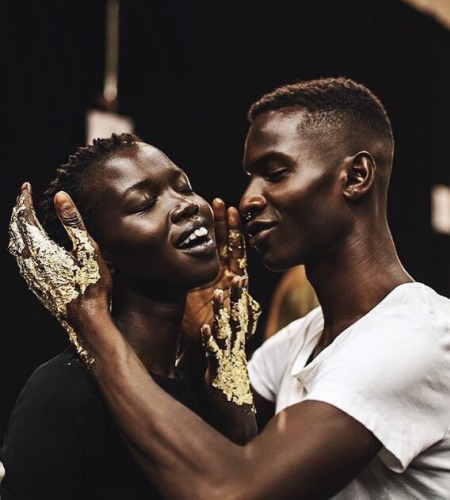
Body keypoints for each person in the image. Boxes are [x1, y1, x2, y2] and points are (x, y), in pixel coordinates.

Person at [10, 76, 450, 499]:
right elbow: (233, 428)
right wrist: (207, 347)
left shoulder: (412, 336)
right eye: (250, 176)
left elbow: (233, 485)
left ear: (357, 176)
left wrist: (89, 319)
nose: (247, 199)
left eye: (276, 173)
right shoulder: (302, 340)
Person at [1, 133, 260, 499]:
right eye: (143, 203)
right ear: (98, 254)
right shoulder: (64, 393)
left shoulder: (204, 385)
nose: (186, 205)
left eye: (183, 186)